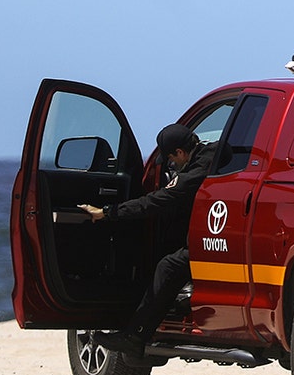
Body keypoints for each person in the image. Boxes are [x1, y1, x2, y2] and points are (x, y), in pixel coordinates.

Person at [78, 123, 216, 357]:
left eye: (171, 158)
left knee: (168, 266)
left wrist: (108, 212)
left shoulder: (195, 172)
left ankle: (136, 336)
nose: (172, 164)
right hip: (221, 238)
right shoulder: (214, 152)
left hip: (212, 244)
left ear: (181, 153)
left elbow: (157, 200)